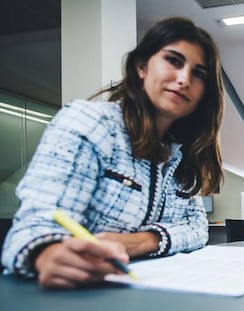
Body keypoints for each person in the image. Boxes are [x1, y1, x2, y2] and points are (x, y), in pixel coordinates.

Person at [1, 17, 224, 289]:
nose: (183, 79)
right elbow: (29, 229)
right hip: (75, 294)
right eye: (173, 61)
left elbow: (198, 228)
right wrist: (45, 253)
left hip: (147, 292)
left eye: (199, 73)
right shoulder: (88, 123)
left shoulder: (186, 151)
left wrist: (140, 241)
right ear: (142, 67)